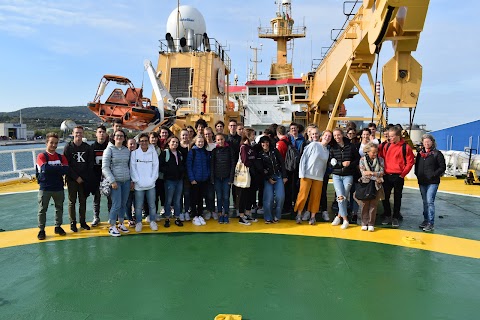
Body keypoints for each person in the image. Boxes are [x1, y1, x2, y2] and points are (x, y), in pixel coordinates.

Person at [379, 126, 415, 227]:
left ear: (398, 136)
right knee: (384, 197)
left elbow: (410, 162)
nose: (389, 138)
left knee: (397, 197)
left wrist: (402, 174)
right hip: (386, 175)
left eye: (392, 136)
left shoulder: (405, 147)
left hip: (398, 176)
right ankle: (387, 215)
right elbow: (381, 156)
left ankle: (395, 216)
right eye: (389, 136)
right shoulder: (386, 146)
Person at [36, 132, 69, 240]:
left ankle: (58, 226)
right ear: (46, 143)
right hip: (45, 188)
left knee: (59, 208)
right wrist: (58, 170)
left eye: (56, 143)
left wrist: (52, 169)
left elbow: (66, 170)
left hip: (58, 187)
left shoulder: (61, 157)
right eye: (51, 143)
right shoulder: (41, 156)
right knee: (42, 209)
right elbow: (45, 169)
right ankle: (41, 230)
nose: (54, 145)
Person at [294, 129, 331, 225]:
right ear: (322, 136)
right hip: (307, 174)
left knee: (316, 197)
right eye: (326, 135)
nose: (327, 137)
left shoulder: (327, 151)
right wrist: (301, 173)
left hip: (319, 176)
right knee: (303, 195)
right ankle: (299, 214)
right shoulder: (314, 145)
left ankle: (313, 217)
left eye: (329, 136)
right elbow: (304, 158)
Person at [63, 126, 94, 232]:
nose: (78, 135)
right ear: (73, 133)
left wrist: (84, 178)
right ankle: (72, 223)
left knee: (83, 201)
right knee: (72, 201)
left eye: (80, 133)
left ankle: (83, 222)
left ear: (83, 134)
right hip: (72, 179)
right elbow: (66, 165)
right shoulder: (68, 147)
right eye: (76, 133)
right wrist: (76, 177)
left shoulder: (87, 148)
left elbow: (90, 164)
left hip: (84, 180)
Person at [102, 129, 132, 237]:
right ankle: (112, 226)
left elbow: (129, 165)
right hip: (116, 181)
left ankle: (121, 223)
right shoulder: (109, 150)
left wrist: (131, 180)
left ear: (124, 138)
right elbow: (104, 167)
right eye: (117, 135)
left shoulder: (126, 150)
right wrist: (112, 181)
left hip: (126, 181)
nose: (119, 137)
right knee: (116, 204)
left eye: (121, 136)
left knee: (123, 203)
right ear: (114, 137)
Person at [330, 128, 360, 229]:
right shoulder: (332, 147)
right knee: (340, 197)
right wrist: (341, 164)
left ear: (342, 135)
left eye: (338, 135)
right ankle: (346, 219)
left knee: (343, 197)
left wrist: (350, 164)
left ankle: (338, 216)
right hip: (337, 175)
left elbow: (357, 159)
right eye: (335, 136)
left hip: (348, 176)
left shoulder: (351, 146)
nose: (337, 137)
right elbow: (331, 163)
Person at [415, 134, 446, 232]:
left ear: (432, 142)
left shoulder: (437, 154)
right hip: (422, 181)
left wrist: (433, 174)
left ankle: (431, 223)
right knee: (425, 202)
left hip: (432, 182)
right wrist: (417, 174)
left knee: (429, 201)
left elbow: (442, 167)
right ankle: (426, 220)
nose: (426, 143)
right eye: (425, 142)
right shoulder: (420, 154)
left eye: (428, 141)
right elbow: (417, 166)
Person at [130, 133, 158, 232]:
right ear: (139, 142)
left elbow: (155, 167)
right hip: (139, 185)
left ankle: (153, 221)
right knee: (138, 206)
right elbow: (133, 169)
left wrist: (152, 179)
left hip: (151, 184)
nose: (144, 143)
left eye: (146, 141)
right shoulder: (134, 154)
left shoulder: (153, 152)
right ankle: (138, 222)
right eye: (142, 141)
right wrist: (137, 181)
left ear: (148, 141)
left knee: (152, 205)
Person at [257, 136, 286, 223]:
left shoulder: (274, 151)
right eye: (263, 142)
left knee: (280, 197)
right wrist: (268, 178)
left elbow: (282, 162)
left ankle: (277, 216)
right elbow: (260, 169)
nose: (265, 144)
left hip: (278, 175)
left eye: (267, 142)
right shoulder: (260, 154)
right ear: (260, 144)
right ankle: (268, 217)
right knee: (268, 198)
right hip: (267, 179)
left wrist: (284, 176)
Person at [356, 143, 384, 231]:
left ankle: (371, 223)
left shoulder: (380, 160)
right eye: (373, 152)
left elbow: (382, 172)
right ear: (368, 152)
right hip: (365, 184)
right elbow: (363, 173)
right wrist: (375, 175)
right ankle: (364, 222)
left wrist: (371, 173)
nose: (375, 154)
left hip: (377, 185)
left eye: (376, 152)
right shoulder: (362, 160)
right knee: (364, 204)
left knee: (374, 204)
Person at [160, 136, 185, 227]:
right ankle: (167, 218)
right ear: (169, 143)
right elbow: (161, 166)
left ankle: (177, 217)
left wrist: (181, 173)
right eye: (173, 142)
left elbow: (182, 165)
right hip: (169, 180)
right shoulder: (165, 153)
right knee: (168, 200)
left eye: (176, 142)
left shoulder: (179, 153)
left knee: (177, 200)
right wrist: (169, 172)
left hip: (179, 180)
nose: (175, 144)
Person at [211, 133, 235, 223]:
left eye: (221, 139)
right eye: (218, 140)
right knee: (219, 196)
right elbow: (212, 165)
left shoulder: (229, 150)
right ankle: (220, 213)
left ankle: (226, 213)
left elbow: (233, 164)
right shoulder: (214, 151)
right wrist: (212, 178)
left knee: (226, 196)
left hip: (226, 177)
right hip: (217, 177)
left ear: (224, 140)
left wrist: (231, 178)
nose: (220, 141)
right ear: (216, 141)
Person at [187, 135, 210, 226]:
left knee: (201, 198)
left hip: (203, 179)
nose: (200, 143)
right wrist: (192, 178)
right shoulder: (192, 152)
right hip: (195, 180)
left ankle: (200, 214)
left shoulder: (205, 152)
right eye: (199, 142)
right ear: (195, 142)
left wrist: (207, 175)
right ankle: (194, 215)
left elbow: (208, 165)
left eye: (202, 142)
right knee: (194, 198)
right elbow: (189, 166)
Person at [91, 125, 111, 227]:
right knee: (96, 198)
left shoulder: (110, 146)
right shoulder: (91, 148)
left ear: (106, 134)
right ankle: (96, 217)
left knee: (110, 198)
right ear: (96, 134)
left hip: (108, 177)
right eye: (99, 132)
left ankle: (111, 217)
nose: (101, 134)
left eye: (103, 132)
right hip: (96, 177)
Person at [236, 133, 257, 225]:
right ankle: (241, 216)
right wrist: (252, 166)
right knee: (242, 194)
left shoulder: (251, 146)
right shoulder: (243, 147)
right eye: (252, 134)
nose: (254, 136)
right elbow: (245, 160)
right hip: (245, 173)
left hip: (252, 173)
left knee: (250, 194)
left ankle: (248, 213)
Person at [226, 119, 241, 216]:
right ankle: (226, 208)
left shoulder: (240, 139)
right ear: (228, 127)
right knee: (226, 188)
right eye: (231, 125)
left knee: (237, 188)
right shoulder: (225, 139)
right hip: (227, 166)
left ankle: (237, 206)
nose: (233, 127)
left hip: (238, 166)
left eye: (234, 125)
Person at [178, 129, 191, 221]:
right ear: (180, 136)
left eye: (186, 135)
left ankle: (186, 211)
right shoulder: (177, 146)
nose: (184, 137)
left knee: (187, 194)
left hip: (188, 174)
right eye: (183, 135)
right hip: (178, 174)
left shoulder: (191, 146)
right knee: (179, 194)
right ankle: (179, 212)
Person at [125, 138, 137, 226]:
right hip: (127, 182)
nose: (132, 145)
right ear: (127, 145)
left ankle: (136, 217)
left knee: (137, 202)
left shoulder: (139, 155)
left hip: (138, 182)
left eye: (134, 144)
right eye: (130, 144)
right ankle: (129, 218)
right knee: (128, 202)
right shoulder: (125, 156)